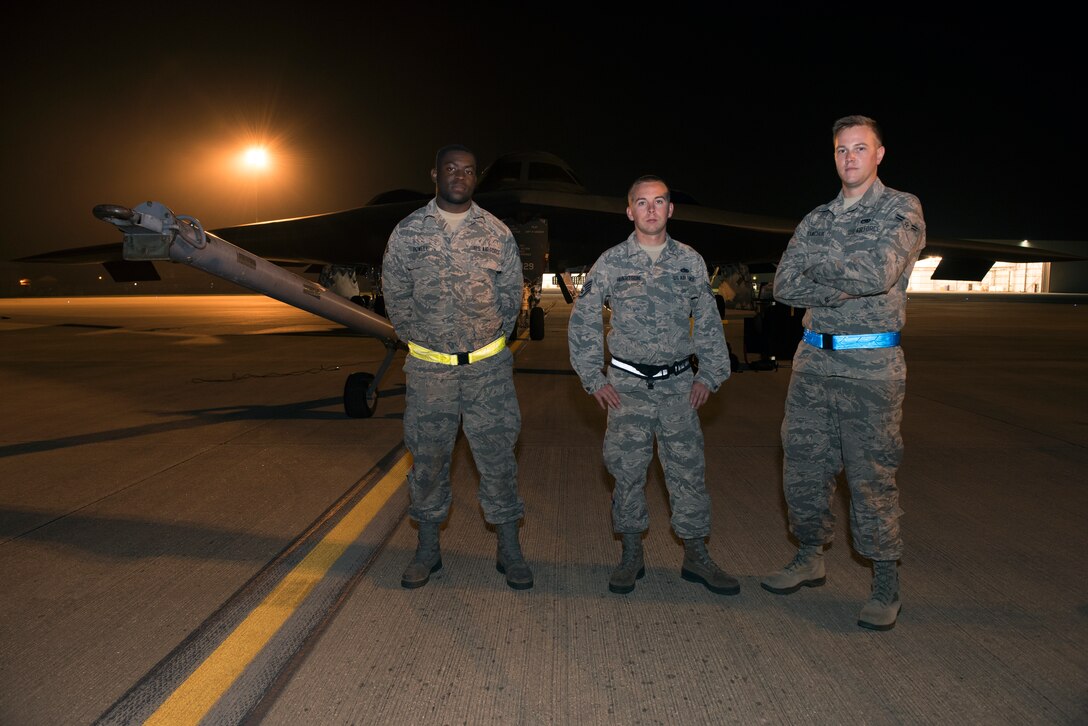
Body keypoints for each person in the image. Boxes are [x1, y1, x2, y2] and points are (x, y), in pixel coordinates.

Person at [760, 115, 926, 630]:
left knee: (869, 474)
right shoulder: (817, 218)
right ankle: (810, 556)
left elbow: (878, 273)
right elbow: (782, 285)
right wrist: (841, 286)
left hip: (870, 366)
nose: (849, 157)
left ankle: (884, 582)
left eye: (859, 148)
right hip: (812, 360)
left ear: (879, 154)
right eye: (840, 149)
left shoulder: (901, 208)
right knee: (803, 468)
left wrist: (821, 274)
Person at [568, 174, 738, 596]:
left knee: (687, 472)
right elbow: (584, 320)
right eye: (642, 202)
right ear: (629, 211)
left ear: (670, 209)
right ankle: (631, 554)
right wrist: (593, 377)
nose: (650, 209)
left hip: (679, 385)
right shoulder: (610, 262)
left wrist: (711, 375)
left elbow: (709, 321)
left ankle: (696, 556)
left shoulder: (690, 261)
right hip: (626, 386)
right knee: (626, 473)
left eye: (659, 201)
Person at [381, 144, 532, 591]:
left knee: (498, 461)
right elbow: (395, 293)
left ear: (475, 178)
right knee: (427, 461)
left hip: (488, 373)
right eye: (451, 169)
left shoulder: (496, 232)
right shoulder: (408, 232)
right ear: (435, 174)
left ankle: (509, 549)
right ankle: (428, 550)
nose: (460, 176)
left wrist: (488, 342)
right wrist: (420, 339)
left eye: (468, 170)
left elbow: (511, 299)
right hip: (430, 375)